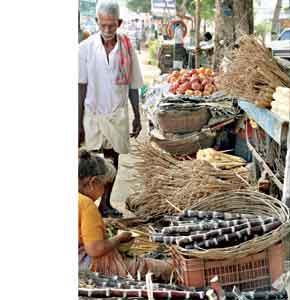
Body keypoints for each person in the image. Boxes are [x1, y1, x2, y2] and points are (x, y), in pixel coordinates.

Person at [79, 0, 143, 218]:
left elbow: (134, 84)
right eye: (103, 25)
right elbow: (81, 85)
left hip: (117, 113)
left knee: (112, 161)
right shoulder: (85, 48)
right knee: (87, 162)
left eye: (112, 25)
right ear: (97, 21)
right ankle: (85, 206)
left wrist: (137, 116)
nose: (107, 30)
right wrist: (77, 121)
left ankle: (105, 205)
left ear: (119, 22)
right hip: (93, 113)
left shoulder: (127, 47)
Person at [78, 150, 172, 281]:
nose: (104, 190)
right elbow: (95, 249)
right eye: (104, 185)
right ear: (93, 182)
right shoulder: (86, 204)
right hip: (87, 266)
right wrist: (119, 238)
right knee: (166, 269)